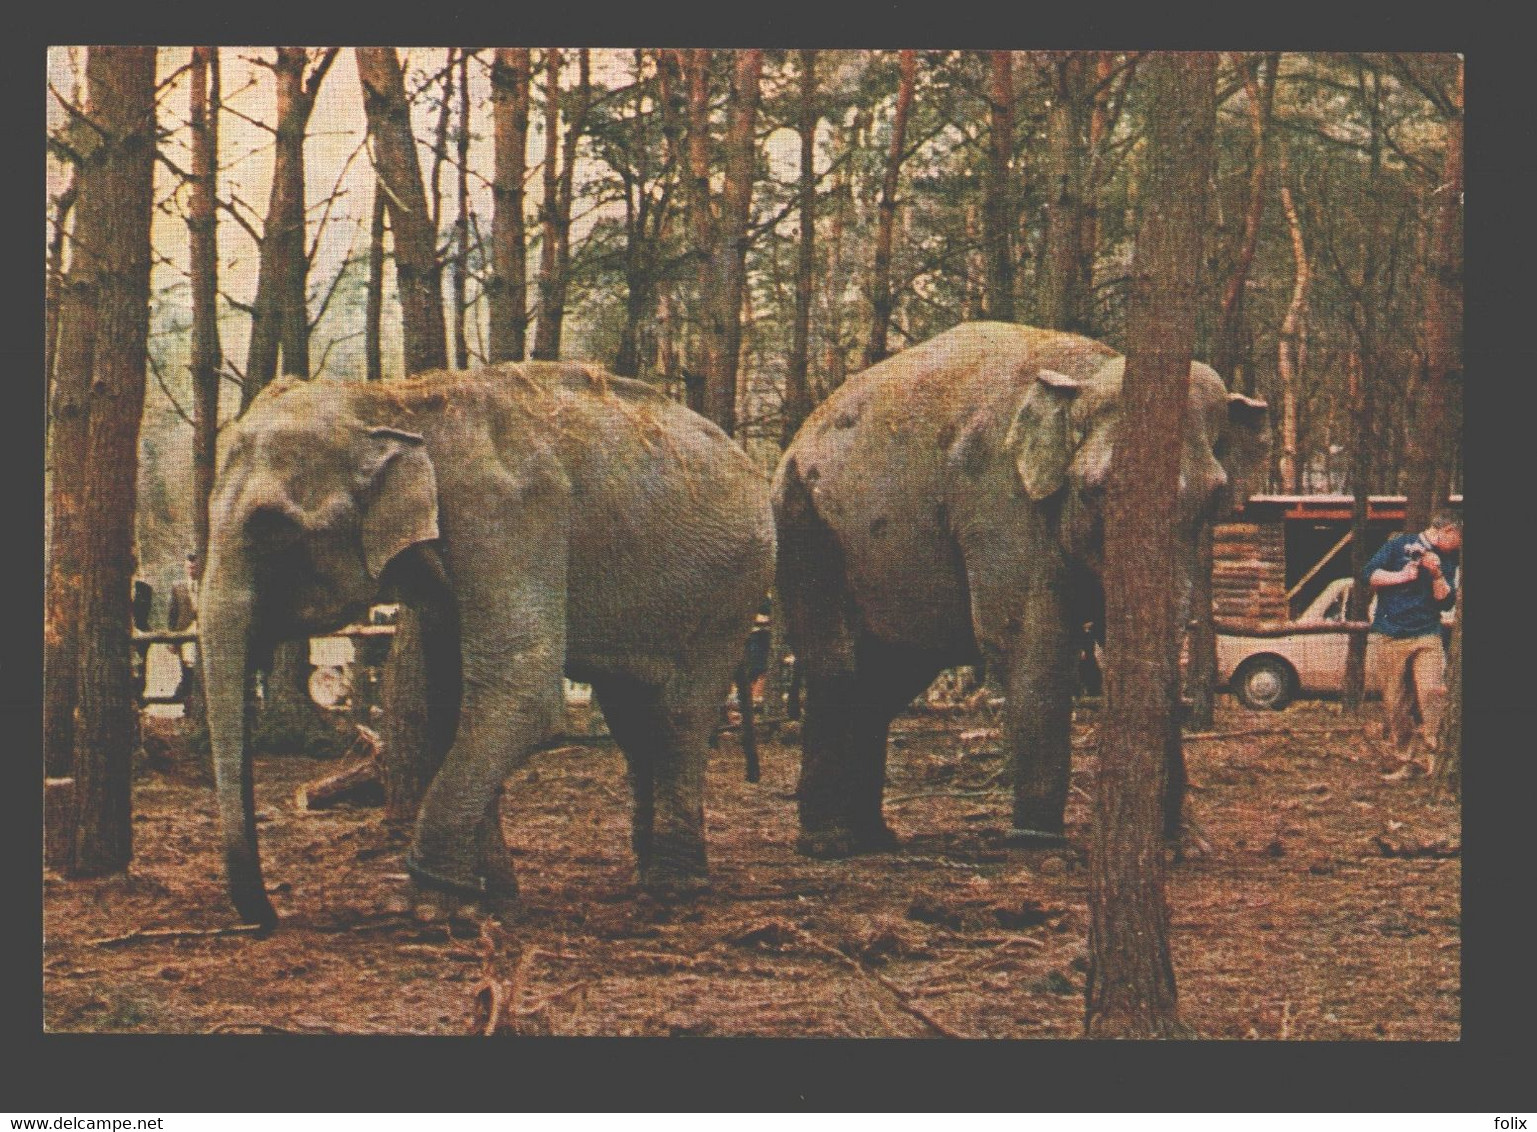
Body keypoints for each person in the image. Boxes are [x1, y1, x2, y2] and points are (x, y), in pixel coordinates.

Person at [1363, 512, 1461, 779]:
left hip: (1426, 634)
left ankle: (1436, 760)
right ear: (1448, 530)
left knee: (1431, 693)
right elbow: (1369, 575)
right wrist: (1403, 576)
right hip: (1390, 633)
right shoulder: (1398, 545)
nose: (1460, 544)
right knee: (1395, 703)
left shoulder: (1448, 559)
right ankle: (1409, 761)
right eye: (1459, 538)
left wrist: (1437, 573)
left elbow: (1446, 602)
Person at [166, 550, 201, 701]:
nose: (192, 570)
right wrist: (172, 640)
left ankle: (189, 699)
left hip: (201, 630)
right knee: (187, 668)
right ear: (185, 568)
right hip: (184, 632)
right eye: (189, 567)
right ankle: (185, 702)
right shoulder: (178, 587)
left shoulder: (205, 586)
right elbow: (172, 614)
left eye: (194, 567)